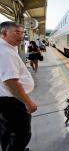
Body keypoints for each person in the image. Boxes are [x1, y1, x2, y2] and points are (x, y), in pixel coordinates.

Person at [0, 21, 37, 151]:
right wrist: (28, 102)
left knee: (7, 132)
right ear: (4, 33)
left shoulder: (7, 48)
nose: (21, 36)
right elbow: (11, 81)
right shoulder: (6, 52)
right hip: (11, 101)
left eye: (22, 33)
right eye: (16, 32)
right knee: (21, 133)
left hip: (6, 100)